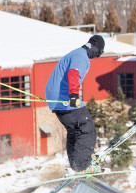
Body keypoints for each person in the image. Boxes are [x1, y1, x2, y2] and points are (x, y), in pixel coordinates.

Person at [45, 35, 105, 175]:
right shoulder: (81, 57)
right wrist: (73, 95)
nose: (96, 57)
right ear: (95, 48)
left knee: (75, 130)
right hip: (65, 97)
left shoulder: (76, 53)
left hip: (56, 99)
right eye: (99, 53)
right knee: (86, 128)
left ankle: (77, 161)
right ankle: (82, 165)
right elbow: (74, 74)